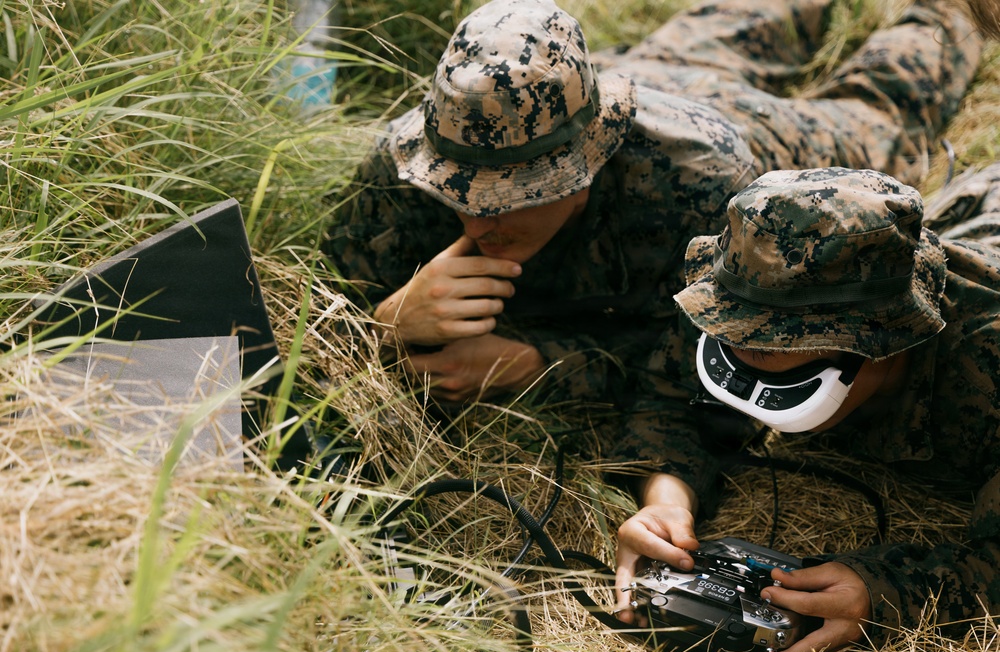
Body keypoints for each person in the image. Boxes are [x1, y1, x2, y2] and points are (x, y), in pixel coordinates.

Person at [325, 0, 981, 421]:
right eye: (458, 191)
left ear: (588, 167)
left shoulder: (706, 187)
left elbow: (713, 362)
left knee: (883, 102)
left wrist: (531, 360)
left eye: (519, 196)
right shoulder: (409, 163)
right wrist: (388, 318)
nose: (478, 222)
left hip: (746, 130)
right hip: (645, 72)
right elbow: (324, 315)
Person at [613, 166, 1000, 652]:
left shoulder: (986, 373)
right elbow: (668, 396)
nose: (746, 351)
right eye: (733, 342)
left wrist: (888, 591)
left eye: (778, 356)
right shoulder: (747, 284)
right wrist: (667, 498)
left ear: (884, 342)